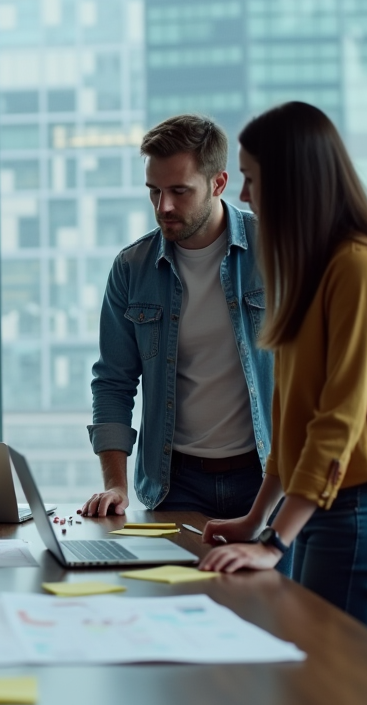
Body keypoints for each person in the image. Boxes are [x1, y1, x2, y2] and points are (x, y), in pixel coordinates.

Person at [199, 101, 367, 646]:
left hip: (362, 511)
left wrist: (274, 544)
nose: (245, 197)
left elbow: (337, 423)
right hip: (335, 509)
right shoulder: (315, 271)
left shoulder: (358, 269)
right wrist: (256, 521)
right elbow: (293, 421)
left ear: (293, 182)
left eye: (253, 180)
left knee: (326, 691)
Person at [82, 115, 276, 531]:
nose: (163, 207)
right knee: (175, 594)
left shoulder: (274, 252)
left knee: (267, 596)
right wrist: (116, 486)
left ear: (218, 183)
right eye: (154, 191)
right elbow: (113, 382)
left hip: (266, 476)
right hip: (175, 484)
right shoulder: (132, 268)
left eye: (179, 191)